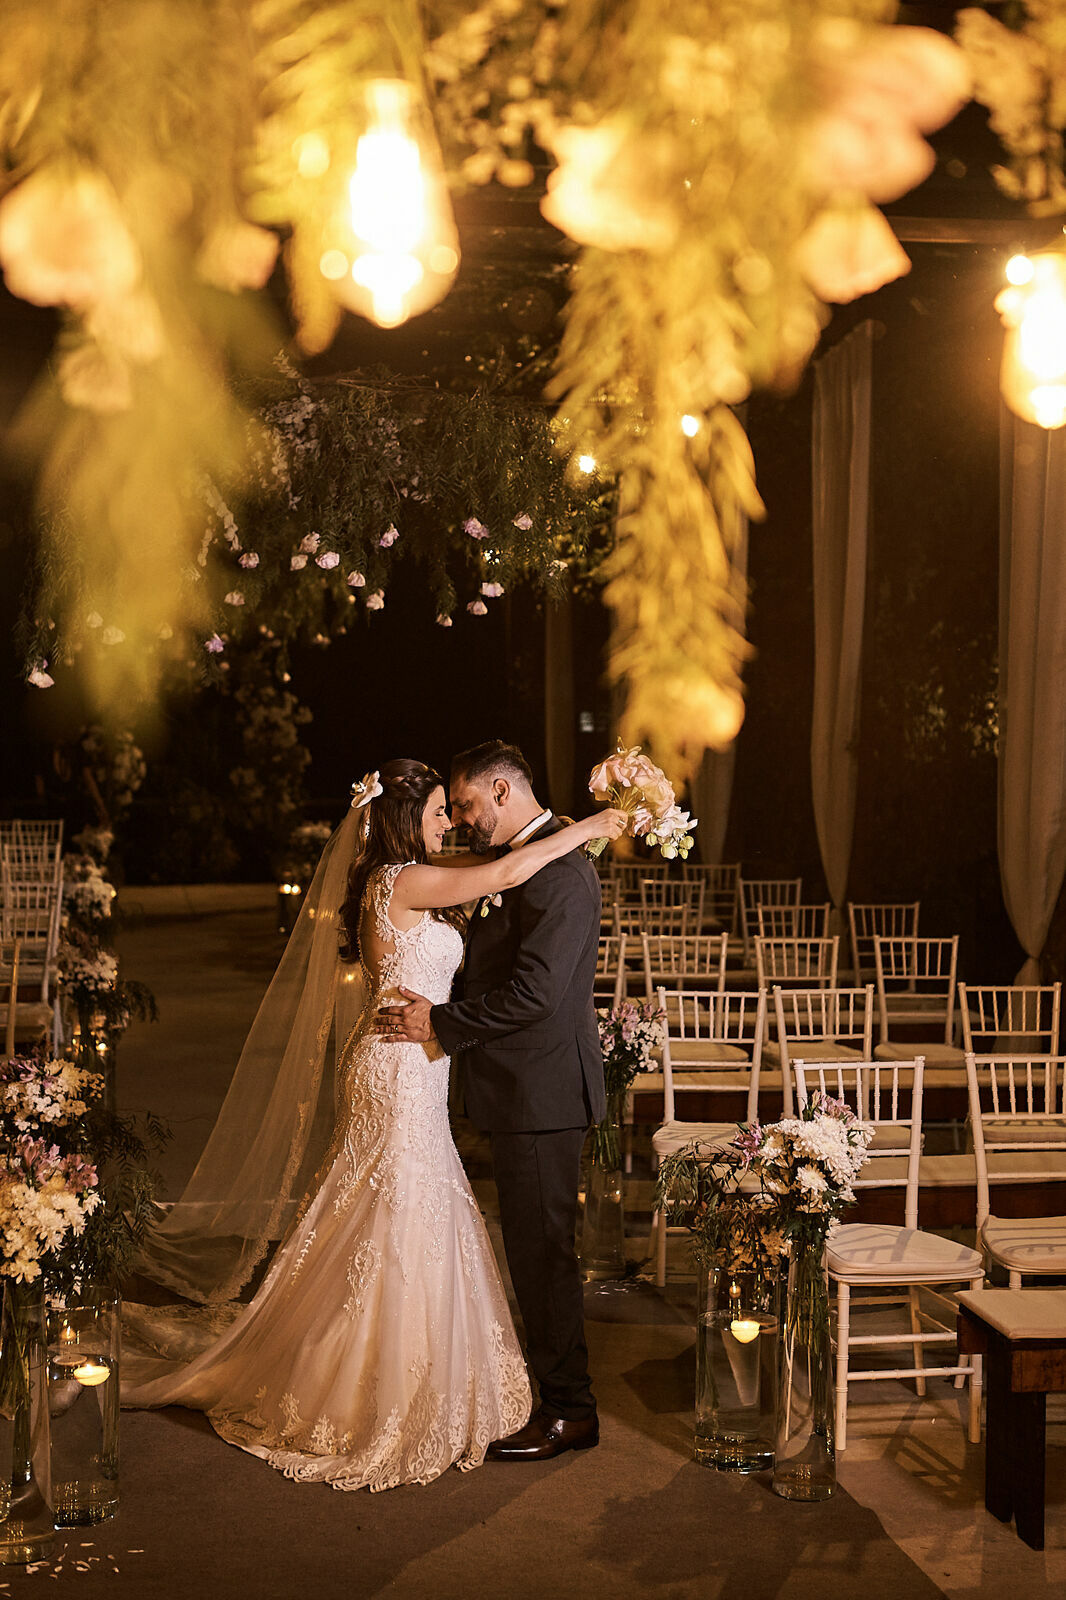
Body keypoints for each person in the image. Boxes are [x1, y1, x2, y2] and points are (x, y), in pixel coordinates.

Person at [121, 759, 625, 1493]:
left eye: (457, 806)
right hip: (398, 1064)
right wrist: (595, 825)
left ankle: (509, 1392)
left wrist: (578, 837)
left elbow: (511, 890)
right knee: (395, 1209)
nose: (453, 822)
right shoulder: (403, 880)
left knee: (407, 1213)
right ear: (403, 819)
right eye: (440, 811)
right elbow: (504, 874)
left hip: (422, 1062)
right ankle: (378, 1380)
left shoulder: (424, 874)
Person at [379, 740, 609, 1463]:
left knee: (545, 1257)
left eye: (467, 803)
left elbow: (536, 994)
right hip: (521, 1092)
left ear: (503, 792)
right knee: (533, 1253)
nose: (461, 819)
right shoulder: (528, 861)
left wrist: (442, 1023)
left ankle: (570, 1411)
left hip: (543, 1095)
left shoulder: (561, 873)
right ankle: (559, 1399)